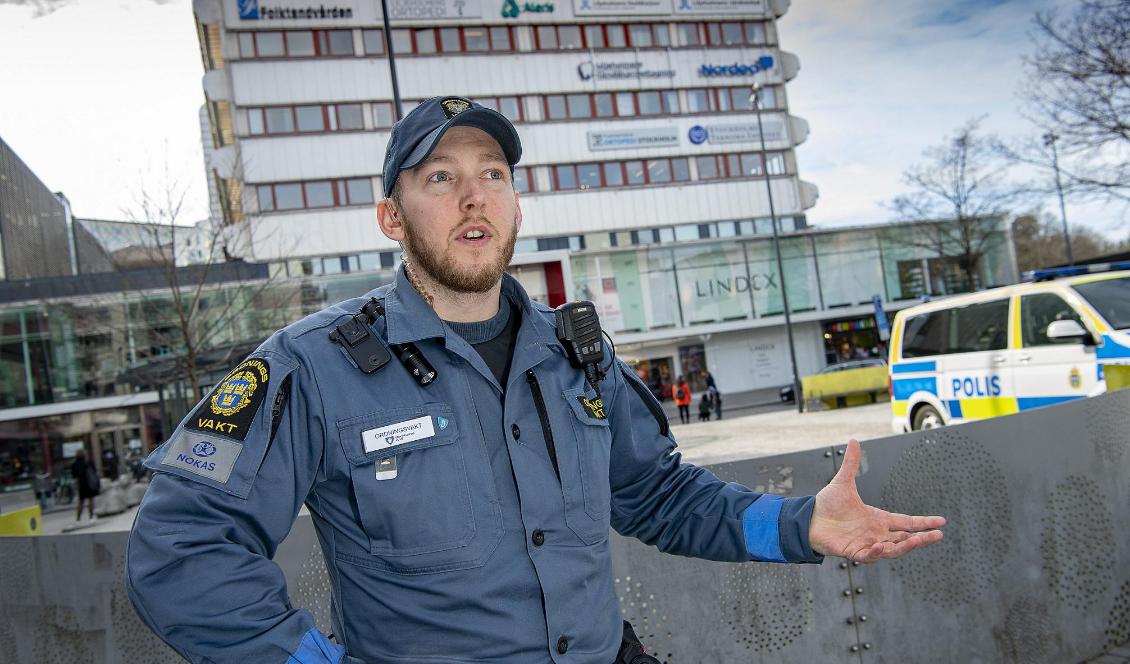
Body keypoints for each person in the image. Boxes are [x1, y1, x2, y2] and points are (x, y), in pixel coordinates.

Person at [127, 95, 945, 664]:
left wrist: (802, 524)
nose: (472, 195)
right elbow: (182, 548)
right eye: (439, 177)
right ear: (392, 216)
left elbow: (656, 496)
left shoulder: (573, 352)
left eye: (493, 173)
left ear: (516, 206)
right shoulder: (314, 366)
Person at [70, 448, 99, 521]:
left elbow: (73, 475)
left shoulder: (74, 464)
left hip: (81, 485)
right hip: (89, 484)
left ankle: (78, 518)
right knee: (91, 500)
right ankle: (91, 516)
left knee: (81, 501)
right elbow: (95, 472)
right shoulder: (88, 461)